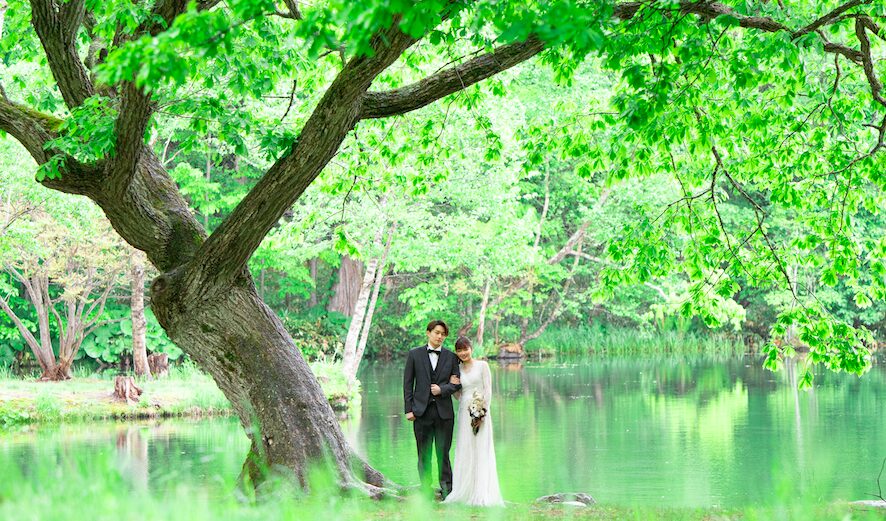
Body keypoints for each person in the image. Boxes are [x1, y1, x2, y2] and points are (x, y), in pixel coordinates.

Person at [403, 320, 462, 498]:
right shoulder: (414, 354)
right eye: (437, 332)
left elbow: (457, 384)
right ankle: (426, 490)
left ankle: (447, 491)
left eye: (443, 334)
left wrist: (442, 389)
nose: (440, 336)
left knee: (443, 453)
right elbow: (407, 384)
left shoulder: (451, 357)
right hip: (421, 412)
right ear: (428, 333)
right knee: (424, 454)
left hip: (445, 414)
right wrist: (409, 409)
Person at [443, 336, 504, 507]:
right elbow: (457, 394)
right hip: (465, 412)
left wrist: (482, 412)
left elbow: (488, 390)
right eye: (459, 350)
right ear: (456, 352)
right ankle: (465, 491)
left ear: (471, 348)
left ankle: (482, 492)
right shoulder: (457, 370)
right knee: (466, 448)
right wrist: (453, 386)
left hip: (481, 412)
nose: (463, 353)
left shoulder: (482, 366)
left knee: (481, 449)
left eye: (465, 349)